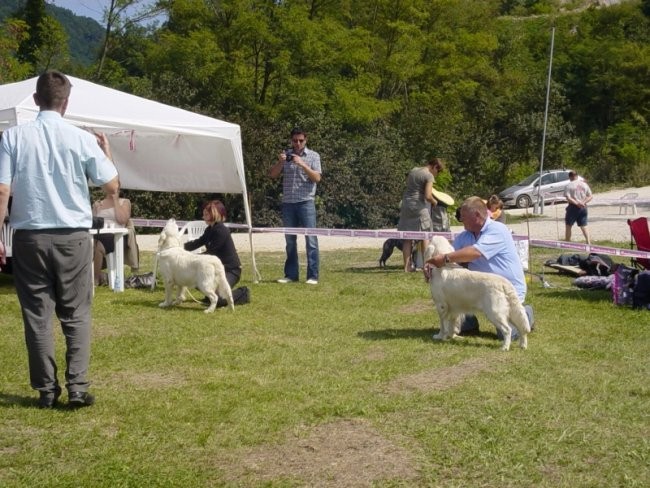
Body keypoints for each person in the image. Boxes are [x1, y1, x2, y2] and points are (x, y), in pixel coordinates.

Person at [0, 70, 118, 408]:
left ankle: (46, 391)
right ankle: (77, 388)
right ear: (66, 103)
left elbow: (3, 189)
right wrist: (105, 151)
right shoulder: (79, 138)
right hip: (73, 237)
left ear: (36, 100)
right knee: (76, 313)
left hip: (29, 237)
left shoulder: (13, 137)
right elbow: (111, 186)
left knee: (37, 316)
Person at [425, 196, 533, 338]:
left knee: (507, 335)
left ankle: (526, 313)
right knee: (459, 320)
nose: (461, 220)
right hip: (476, 289)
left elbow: (475, 252)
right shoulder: (464, 236)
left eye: (463, 217)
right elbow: (451, 256)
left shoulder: (498, 229)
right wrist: (430, 264)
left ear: (476, 215)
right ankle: (469, 323)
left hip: (505, 289)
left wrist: (445, 258)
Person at [269, 128, 322, 284]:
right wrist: (280, 162)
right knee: (290, 241)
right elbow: (272, 175)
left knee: (311, 240)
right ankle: (291, 275)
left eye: (301, 140)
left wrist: (302, 164)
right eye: (295, 141)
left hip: (306, 202)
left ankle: (312, 276)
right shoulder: (286, 156)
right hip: (288, 204)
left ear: (306, 140)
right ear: (291, 141)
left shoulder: (313, 156)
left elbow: (317, 178)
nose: (297, 143)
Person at [184, 199, 250, 306]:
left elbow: (210, 254)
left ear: (214, 214)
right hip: (217, 269)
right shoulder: (209, 229)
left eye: (206, 214)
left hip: (231, 270)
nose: (203, 216)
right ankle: (210, 294)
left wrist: (189, 258)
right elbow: (197, 242)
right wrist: (179, 248)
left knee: (219, 300)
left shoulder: (221, 231)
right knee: (194, 278)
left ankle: (244, 293)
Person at [397, 157, 443, 272]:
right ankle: (426, 265)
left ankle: (407, 267)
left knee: (407, 237)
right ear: (435, 167)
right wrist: (434, 201)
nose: (436, 174)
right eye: (438, 171)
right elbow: (427, 196)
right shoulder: (429, 175)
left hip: (406, 204)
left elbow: (408, 185)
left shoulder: (414, 170)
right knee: (425, 235)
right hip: (419, 207)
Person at [91, 182, 132, 285]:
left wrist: (115, 201)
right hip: (99, 234)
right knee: (86, 242)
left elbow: (122, 220)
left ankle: (95, 279)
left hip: (117, 236)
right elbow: (92, 223)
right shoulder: (98, 204)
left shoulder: (124, 202)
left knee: (98, 245)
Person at [564, 170, 592, 244]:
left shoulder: (568, 186)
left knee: (568, 225)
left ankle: (567, 242)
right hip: (583, 207)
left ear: (570, 177)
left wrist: (576, 203)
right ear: (577, 176)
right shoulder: (584, 184)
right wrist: (583, 202)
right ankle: (588, 242)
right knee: (584, 225)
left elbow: (568, 198)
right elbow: (590, 196)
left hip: (573, 207)